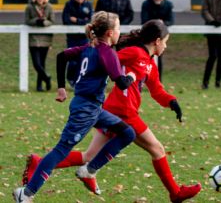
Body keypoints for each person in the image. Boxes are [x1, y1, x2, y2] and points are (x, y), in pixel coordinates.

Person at [22, 20, 202, 202]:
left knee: (89, 156)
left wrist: (172, 102)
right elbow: (108, 60)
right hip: (123, 111)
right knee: (158, 149)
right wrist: (99, 67)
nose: (166, 45)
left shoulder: (150, 64)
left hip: (110, 110)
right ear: (157, 41)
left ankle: (40, 163)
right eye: (165, 41)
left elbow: (156, 91)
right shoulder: (134, 53)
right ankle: (175, 193)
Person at [14, 11, 136, 202]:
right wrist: (132, 77)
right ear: (111, 33)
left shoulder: (90, 48)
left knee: (127, 133)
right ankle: (27, 193)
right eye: (119, 28)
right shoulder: (106, 52)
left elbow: (61, 56)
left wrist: (62, 87)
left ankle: (89, 170)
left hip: (93, 108)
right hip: (85, 110)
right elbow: (121, 84)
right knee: (61, 150)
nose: (120, 31)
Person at [62, 0, 93, 87]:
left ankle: (77, 82)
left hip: (84, 38)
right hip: (72, 38)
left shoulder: (88, 5)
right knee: (72, 61)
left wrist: (77, 20)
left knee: (82, 60)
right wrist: (83, 20)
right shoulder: (68, 5)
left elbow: (91, 21)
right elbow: (66, 20)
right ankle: (70, 78)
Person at [25, 0, 55, 92]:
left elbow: (52, 21)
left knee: (42, 63)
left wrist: (44, 22)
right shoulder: (29, 7)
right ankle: (47, 78)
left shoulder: (49, 7)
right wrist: (36, 21)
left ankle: (39, 86)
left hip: (45, 38)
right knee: (36, 64)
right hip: (33, 38)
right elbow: (27, 20)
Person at [141, 0, 174, 81]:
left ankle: (158, 80)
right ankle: (146, 79)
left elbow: (171, 21)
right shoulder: (146, 4)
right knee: (147, 57)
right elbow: (144, 20)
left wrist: (162, 23)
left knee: (159, 57)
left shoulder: (169, 5)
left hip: (161, 35)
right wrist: (156, 22)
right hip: (149, 35)